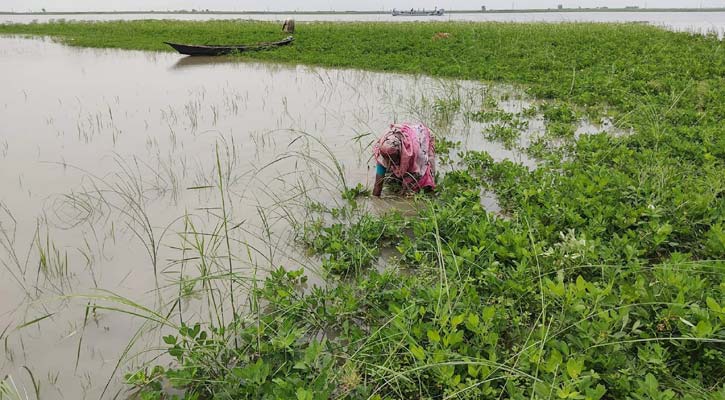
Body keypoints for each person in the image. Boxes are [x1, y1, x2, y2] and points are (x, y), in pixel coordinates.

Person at [372, 123, 435, 197]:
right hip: (406, 136)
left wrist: (405, 193)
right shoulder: (383, 152)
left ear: (400, 153)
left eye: (392, 159)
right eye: (386, 158)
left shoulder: (411, 152)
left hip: (422, 136)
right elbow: (378, 184)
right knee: (394, 171)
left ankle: (430, 187)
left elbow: (416, 171)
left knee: (422, 173)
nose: (388, 163)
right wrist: (375, 199)